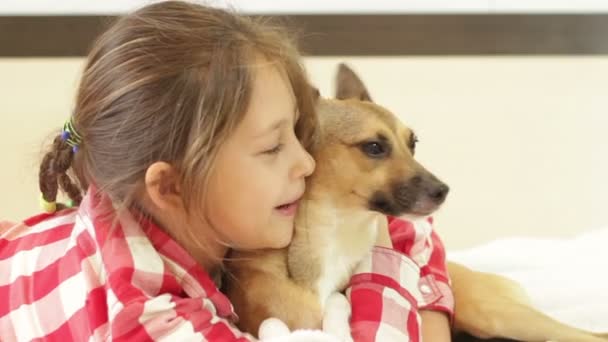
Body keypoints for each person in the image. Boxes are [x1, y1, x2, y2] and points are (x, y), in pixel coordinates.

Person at [0, 2, 453, 341]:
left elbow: (417, 237)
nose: (307, 161)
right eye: (274, 146)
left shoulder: (203, 215)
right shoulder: (145, 315)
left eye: (300, 134)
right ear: (172, 184)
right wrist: (387, 267)